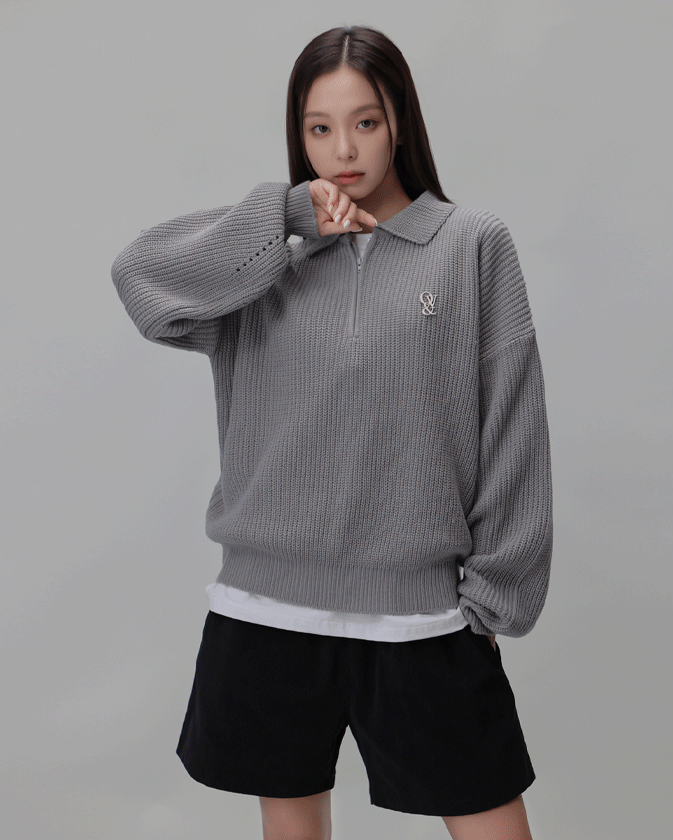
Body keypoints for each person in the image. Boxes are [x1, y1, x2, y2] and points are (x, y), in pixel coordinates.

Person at [112, 24, 552, 840]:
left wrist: (493, 603)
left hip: (421, 620)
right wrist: (286, 217)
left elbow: (513, 426)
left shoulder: (470, 246)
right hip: (267, 615)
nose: (343, 149)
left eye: (365, 122)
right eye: (319, 127)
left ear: (399, 122)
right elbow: (140, 277)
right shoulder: (264, 263)